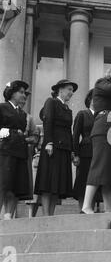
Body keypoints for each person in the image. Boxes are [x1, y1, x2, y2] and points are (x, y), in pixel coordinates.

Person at [82, 68, 111, 214]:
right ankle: (86, 206)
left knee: (109, 172)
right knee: (99, 166)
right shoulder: (101, 84)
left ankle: (109, 209)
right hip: (104, 130)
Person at [34, 79, 77, 216]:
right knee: (48, 182)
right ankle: (46, 215)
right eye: (69, 89)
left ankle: (51, 215)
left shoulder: (67, 109)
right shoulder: (51, 102)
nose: (71, 92)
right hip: (52, 147)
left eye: (72, 90)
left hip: (64, 149)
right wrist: (48, 142)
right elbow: (48, 122)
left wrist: (71, 150)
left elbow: (69, 131)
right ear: (60, 90)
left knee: (56, 184)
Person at [0, 81, 31, 220]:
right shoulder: (2, 107)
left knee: (15, 186)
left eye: (25, 93)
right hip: (5, 151)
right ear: (12, 93)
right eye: (21, 92)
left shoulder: (23, 114)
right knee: (3, 183)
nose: (24, 95)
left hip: (19, 152)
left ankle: (8, 216)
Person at [72, 89, 102, 212]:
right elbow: (75, 135)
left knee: (95, 181)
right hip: (85, 153)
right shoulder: (82, 114)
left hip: (99, 152)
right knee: (83, 181)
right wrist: (76, 154)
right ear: (90, 100)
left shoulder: (102, 115)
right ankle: (82, 208)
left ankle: (91, 208)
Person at [19, 91, 40, 218]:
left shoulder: (28, 118)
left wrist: (22, 139)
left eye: (25, 99)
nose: (23, 101)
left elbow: (35, 137)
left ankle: (10, 214)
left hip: (24, 154)